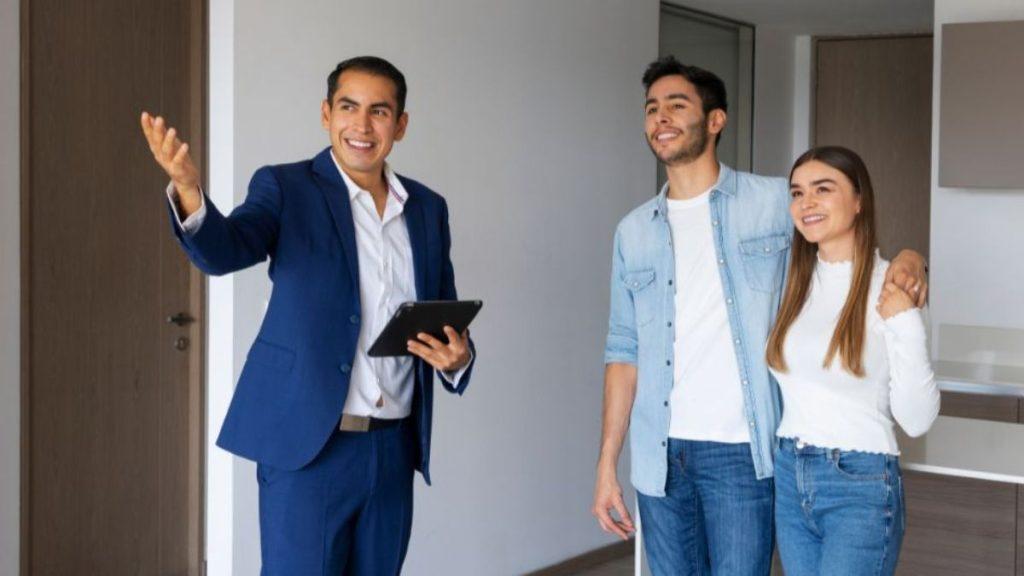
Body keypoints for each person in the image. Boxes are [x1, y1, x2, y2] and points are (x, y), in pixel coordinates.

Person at [592, 56, 929, 575]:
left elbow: (844, 237)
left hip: (741, 453)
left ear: (715, 120)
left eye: (676, 105)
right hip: (659, 455)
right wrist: (607, 463)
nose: (661, 117)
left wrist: (911, 259)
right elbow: (623, 351)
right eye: (652, 108)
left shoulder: (775, 200)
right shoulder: (632, 232)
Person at [140, 56, 475, 575]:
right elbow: (225, 251)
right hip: (308, 450)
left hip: (392, 451)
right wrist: (188, 189)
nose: (362, 126)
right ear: (325, 114)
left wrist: (457, 358)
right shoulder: (285, 188)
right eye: (348, 107)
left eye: (379, 111)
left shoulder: (428, 208)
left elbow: (444, 314)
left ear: (400, 125)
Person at [767, 146, 939, 575]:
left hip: (858, 484)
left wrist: (907, 322)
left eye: (823, 189)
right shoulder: (792, 284)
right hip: (790, 474)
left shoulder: (891, 286)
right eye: (797, 192)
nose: (806, 203)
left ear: (859, 200)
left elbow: (916, 420)